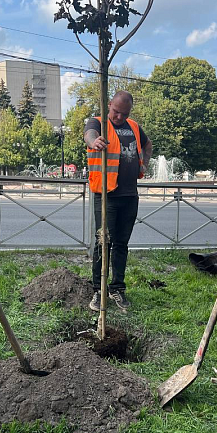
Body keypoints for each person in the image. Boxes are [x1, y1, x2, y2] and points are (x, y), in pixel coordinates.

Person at [84, 90, 152, 312]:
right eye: (116, 112)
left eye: (124, 114)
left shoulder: (133, 126)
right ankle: (98, 290)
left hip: (129, 195)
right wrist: (95, 143)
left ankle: (117, 289)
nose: (119, 117)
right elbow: (89, 134)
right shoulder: (97, 122)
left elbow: (147, 144)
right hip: (106, 195)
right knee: (103, 243)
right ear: (109, 104)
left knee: (121, 245)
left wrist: (145, 163)